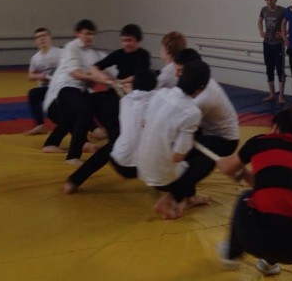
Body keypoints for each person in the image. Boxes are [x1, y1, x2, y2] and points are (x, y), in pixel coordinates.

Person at [216, 108, 292, 276]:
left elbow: (227, 168)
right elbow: (281, 184)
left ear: (275, 127)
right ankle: (268, 263)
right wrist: (247, 175)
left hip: (259, 241)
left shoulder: (260, 142)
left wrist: (220, 160)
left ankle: (231, 254)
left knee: (246, 197)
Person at [63, 70, 157, 194]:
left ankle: (73, 181)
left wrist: (115, 82)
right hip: (150, 168)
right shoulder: (159, 99)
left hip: (122, 163)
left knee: (112, 145)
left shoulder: (126, 100)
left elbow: (128, 92)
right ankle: (172, 192)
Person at [137, 60, 210, 219]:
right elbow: (178, 157)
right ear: (200, 89)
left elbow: (143, 124)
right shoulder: (191, 112)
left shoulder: (160, 93)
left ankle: (187, 197)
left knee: (186, 151)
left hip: (141, 167)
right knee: (207, 160)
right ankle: (171, 198)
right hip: (161, 177)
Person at [172, 49, 240, 206]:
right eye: (176, 69)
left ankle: (184, 195)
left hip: (225, 140)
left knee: (189, 155)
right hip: (207, 130)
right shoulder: (198, 81)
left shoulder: (204, 98)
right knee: (182, 148)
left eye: (180, 71)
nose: (176, 75)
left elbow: (178, 122)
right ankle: (183, 190)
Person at [41, 19, 102, 165]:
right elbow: (76, 74)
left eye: (92, 34)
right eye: (87, 33)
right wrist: (99, 79)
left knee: (75, 115)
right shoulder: (71, 47)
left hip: (70, 93)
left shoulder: (92, 53)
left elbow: (91, 76)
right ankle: (75, 154)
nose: (90, 37)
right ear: (78, 34)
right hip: (59, 96)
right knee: (84, 110)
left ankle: (51, 144)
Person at [88, 24, 151, 142]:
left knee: (109, 107)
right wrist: (102, 77)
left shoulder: (143, 55)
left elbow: (139, 76)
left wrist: (118, 82)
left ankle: (114, 135)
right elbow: (94, 67)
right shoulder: (119, 53)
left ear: (137, 41)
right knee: (91, 99)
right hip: (117, 90)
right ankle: (107, 129)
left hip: (132, 93)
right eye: (123, 41)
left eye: (129, 40)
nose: (126, 44)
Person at [25, 27, 62, 135]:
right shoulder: (35, 58)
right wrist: (40, 76)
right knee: (33, 94)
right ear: (35, 41)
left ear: (50, 38)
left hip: (60, 87)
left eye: (44, 36)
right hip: (46, 88)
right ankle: (40, 125)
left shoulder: (60, 53)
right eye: (38, 37)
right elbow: (30, 75)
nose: (42, 39)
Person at [258, 0, 286, 103]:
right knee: (269, 68)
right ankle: (272, 94)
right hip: (267, 43)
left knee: (280, 68)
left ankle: (281, 96)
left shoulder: (282, 10)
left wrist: (284, 33)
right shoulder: (264, 10)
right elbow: (259, 21)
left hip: (278, 44)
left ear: (275, 0)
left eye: (271, 0)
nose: (269, 2)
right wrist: (261, 32)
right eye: (267, 0)